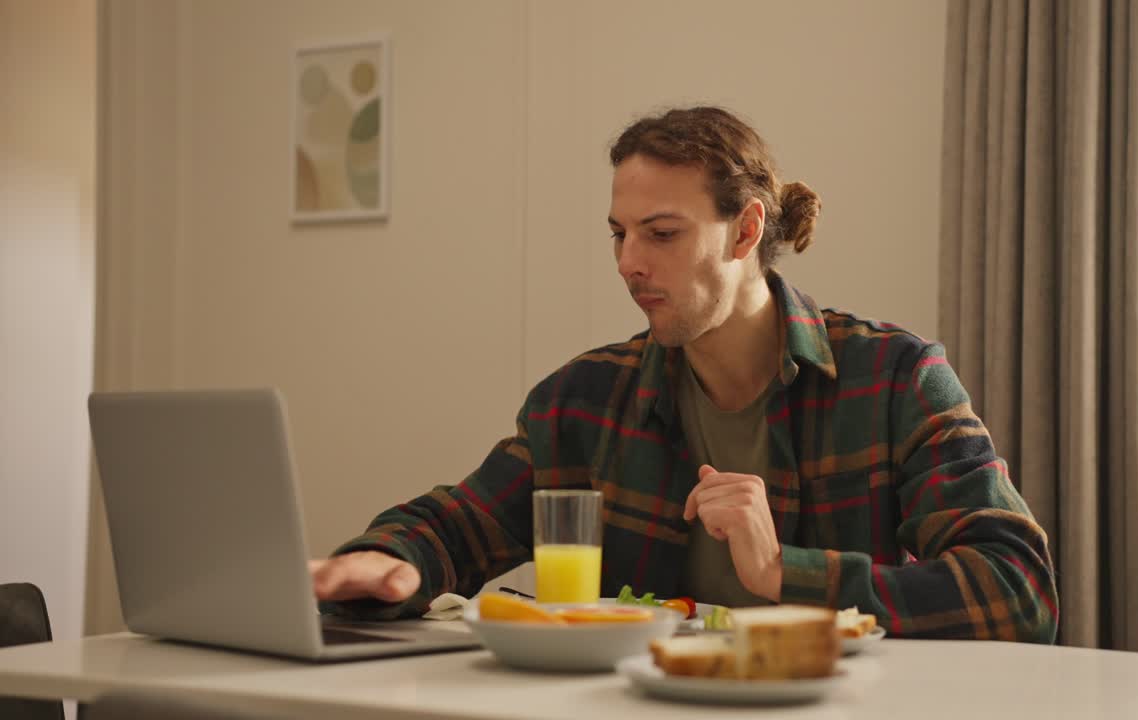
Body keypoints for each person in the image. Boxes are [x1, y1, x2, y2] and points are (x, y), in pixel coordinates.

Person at [310, 106, 1058, 642]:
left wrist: (784, 574)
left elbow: (1018, 589)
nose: (629, 261)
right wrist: (389, 561)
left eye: (662, 233)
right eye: (619, 233)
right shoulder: (584, 399)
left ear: (747, 229)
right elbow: (464, 522)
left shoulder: (894, 377)